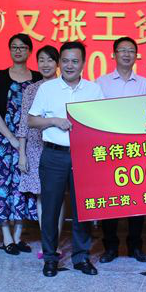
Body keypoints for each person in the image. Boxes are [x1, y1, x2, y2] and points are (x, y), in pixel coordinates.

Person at [28, 41, 105, 277]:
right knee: (50, 209)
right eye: (66, 61)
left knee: (83, 210)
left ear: (83, 63)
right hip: (53, 155)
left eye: (75, 61)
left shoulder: (93, 90)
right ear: (60, 62)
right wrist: (53, 121)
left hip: (83, 156)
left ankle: (81, 258)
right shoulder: (47, 89)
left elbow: (102, 122)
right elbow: (31, 120)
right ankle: (50, 258)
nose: (70, 65)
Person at [95, 37, 146, 264]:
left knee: (137, 200)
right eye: (122, 50)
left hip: (137, 149)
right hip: (109, 150)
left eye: (131, 51)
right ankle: (110, 247)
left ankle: (135, 246)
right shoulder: (101, 83)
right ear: (114, 54)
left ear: (136, 56)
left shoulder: (144, 84)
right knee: (110, 200)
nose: (127, 54)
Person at [0, 33, 41, 255]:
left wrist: (22, 141)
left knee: (22, 187)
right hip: (3, 141)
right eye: (14, 47)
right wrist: (10, 137)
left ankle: (18, 236)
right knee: (1, 188)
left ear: (29, 51)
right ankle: (6, 236)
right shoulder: (0, 76)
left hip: (30, 141)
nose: (18, 51)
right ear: (10, 50)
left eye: (23, 47)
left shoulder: (38, 77)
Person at [15, 45, 67, 260]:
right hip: (36, 147)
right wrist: (22, 153)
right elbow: (24, 123)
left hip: (59, 147)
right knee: (41, 195)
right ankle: (48, 243)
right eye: (41, 60)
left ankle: (56, 241)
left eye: (50, 60)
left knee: (58, 196)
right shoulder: (31, 89)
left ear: (58, 63)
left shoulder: (65, 86)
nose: (45, 64)